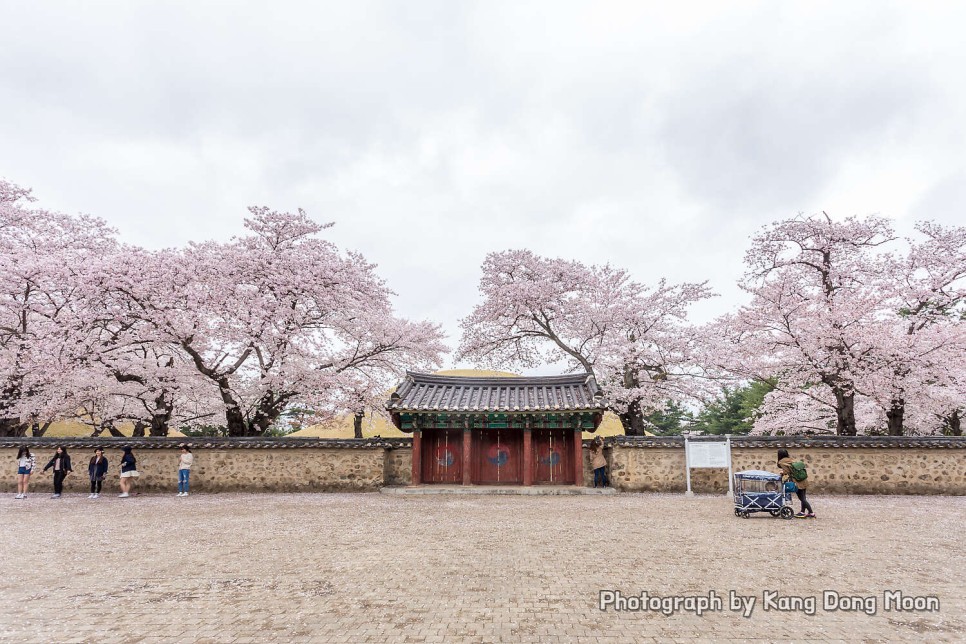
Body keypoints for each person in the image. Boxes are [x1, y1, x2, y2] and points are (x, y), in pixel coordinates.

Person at [778, 448, 815, 518]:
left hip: (797, 481)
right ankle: (802, 512)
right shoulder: (791, 459)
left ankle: (811, 512)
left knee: (801, 498)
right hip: (803, 479)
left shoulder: (781, 462)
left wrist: (782, 473)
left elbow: (787, 471)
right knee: (803, 497)